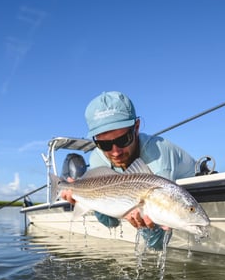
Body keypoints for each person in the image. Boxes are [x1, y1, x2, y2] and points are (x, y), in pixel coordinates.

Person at [63, 91, 196, 250]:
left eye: (122, 140)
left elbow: (158, 245)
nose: (115, 151)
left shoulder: (158, 157)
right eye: (104, 145)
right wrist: (84, 198)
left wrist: (149, 227)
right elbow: (110, 222)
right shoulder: (97, 159)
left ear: (137, 127)